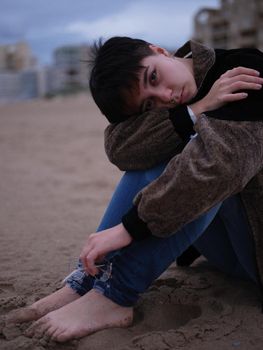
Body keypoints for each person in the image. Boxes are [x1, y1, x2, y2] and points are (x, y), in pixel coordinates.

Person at [6, 37, 263, 342]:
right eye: (149, 104)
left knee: (200, 154)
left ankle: (115, 294)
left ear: (158, 50)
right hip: (226, 249)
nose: (165, 96)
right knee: (163, 148)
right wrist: (196, 110)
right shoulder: (183, 99)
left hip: (255, 251)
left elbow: (220, 167)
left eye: (153, 76)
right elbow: (122, 148)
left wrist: (130, 227)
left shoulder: (245, 69)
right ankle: (88, 280)